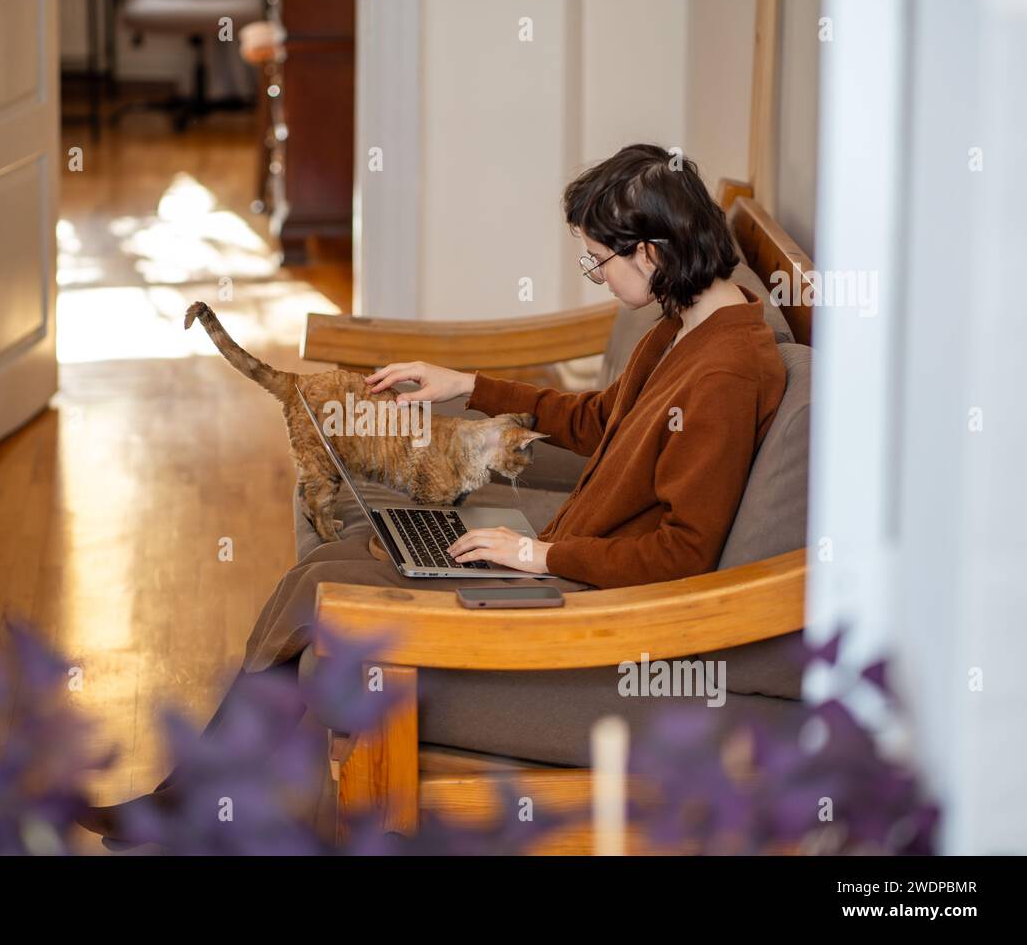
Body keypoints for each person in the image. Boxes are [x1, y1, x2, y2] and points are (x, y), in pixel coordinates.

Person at [78, 143, 791, 845]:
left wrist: (537, 555)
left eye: (598, 260)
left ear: (653, 253)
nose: (597, 278)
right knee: (328, 570)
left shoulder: (724, 373)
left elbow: (686, 554)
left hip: (589, 608)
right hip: (564, 566)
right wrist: (469, 386)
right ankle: (195, 795)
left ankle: (190, 800)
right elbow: (601, 421)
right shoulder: (686, 328)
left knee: (329, 596)